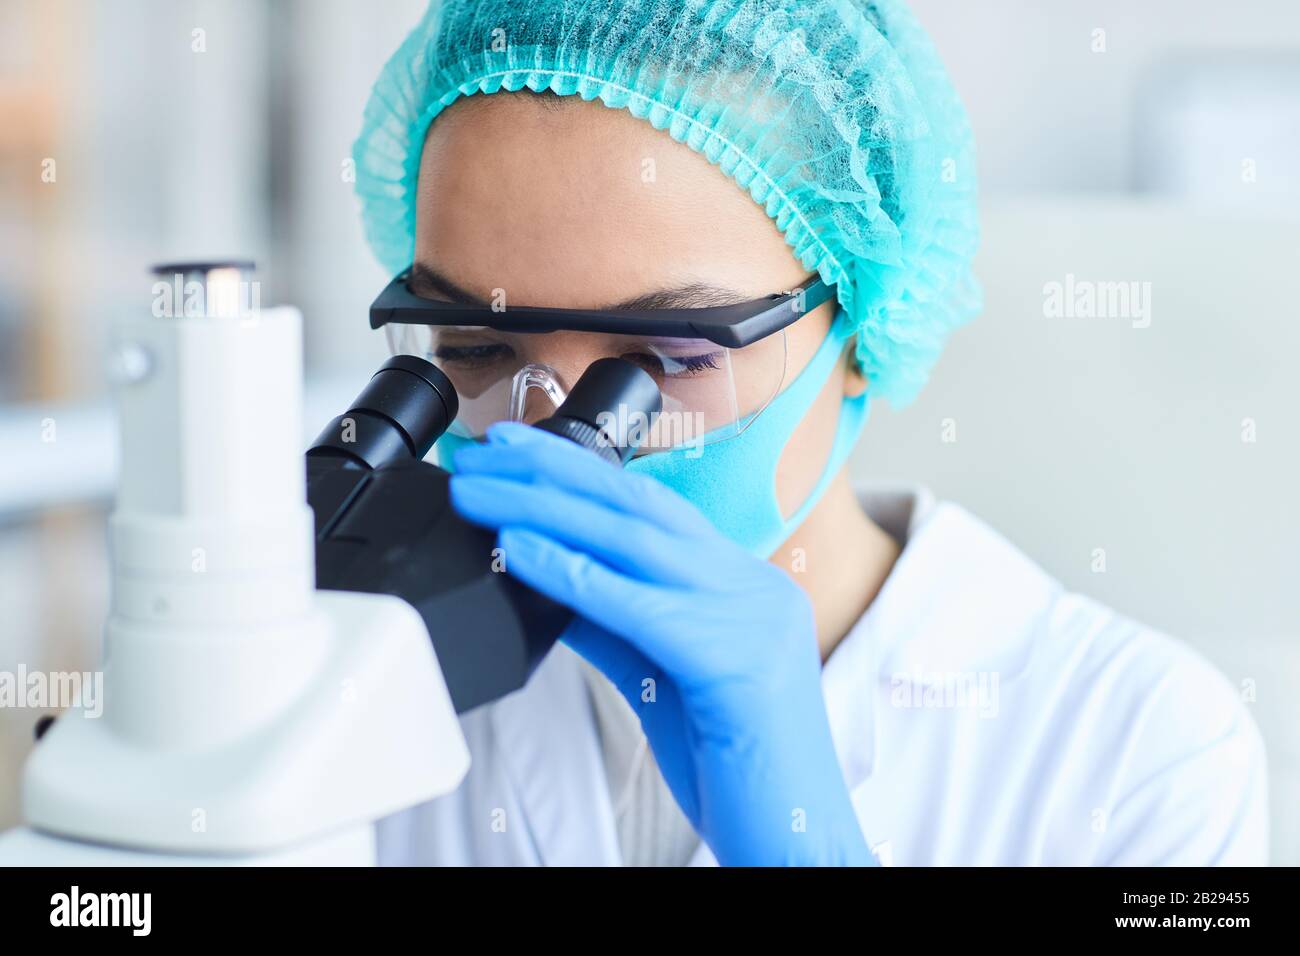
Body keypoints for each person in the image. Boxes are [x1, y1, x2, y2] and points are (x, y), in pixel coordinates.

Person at [356, 0, 1267, 866]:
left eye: (667, 358)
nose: (550, 432)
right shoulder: (357, 677)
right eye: (473, 345)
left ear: (864, 326)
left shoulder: (1150, 756)